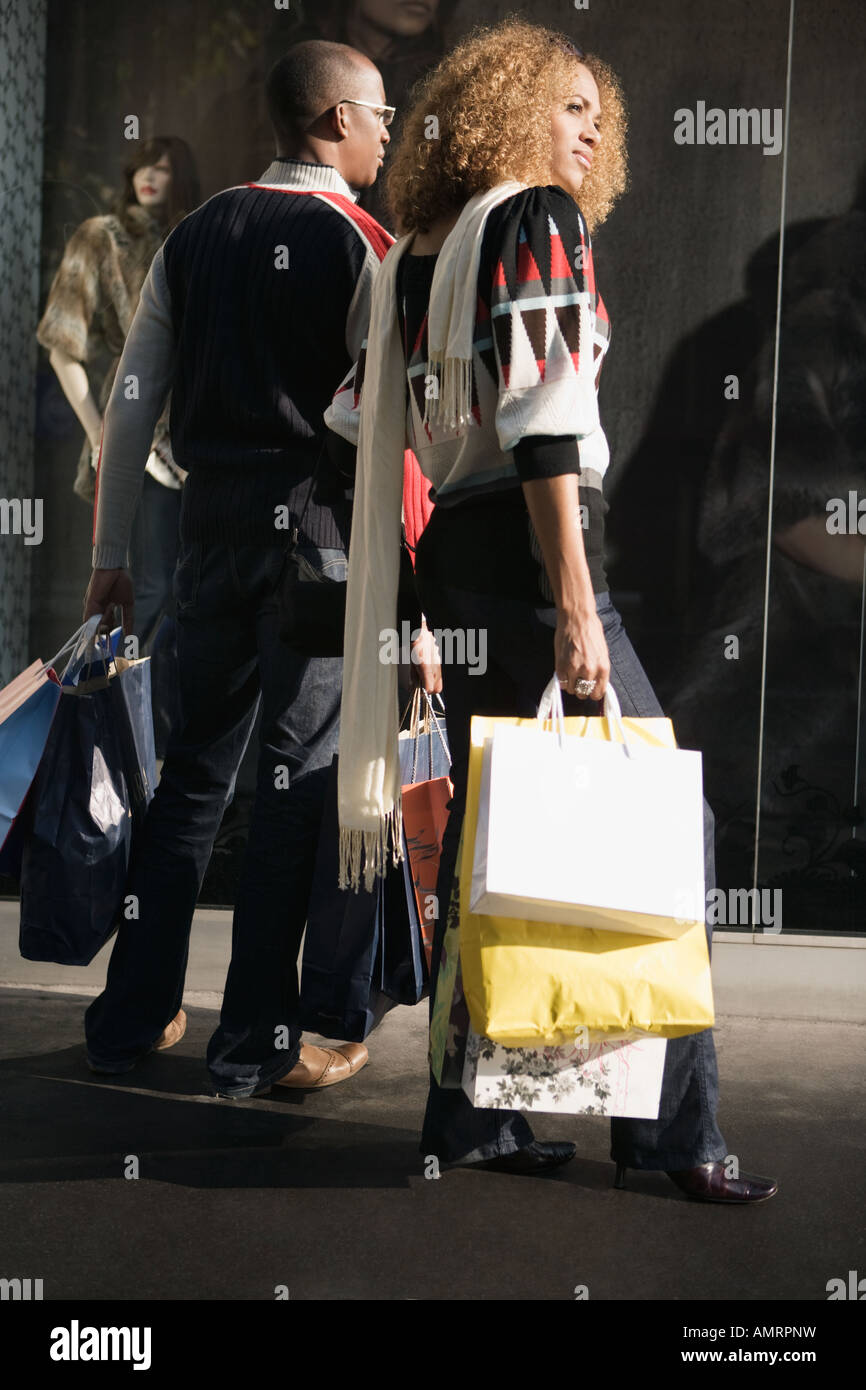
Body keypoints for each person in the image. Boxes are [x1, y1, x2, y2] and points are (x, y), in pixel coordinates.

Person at [328, 20, 778, 1202]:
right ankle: (676, 1134)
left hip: (456, 560)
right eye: (568, 107)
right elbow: (542, 415)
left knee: (492, 837)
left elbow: (358, 425)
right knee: (669, 828)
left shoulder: (409, 253)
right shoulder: (534, 218)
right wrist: (576, 603)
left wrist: (416, 602)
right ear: (509, 113)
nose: (587, 131)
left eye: (597, 112)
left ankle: (468, 1119)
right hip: (536, 548)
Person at [80, 40, 393, 1097]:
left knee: (192, 778)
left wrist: (110, 557)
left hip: (206, 530)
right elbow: (391, 426)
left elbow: (130, 409)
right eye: (380, 115)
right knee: (291, 788)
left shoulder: (193, 236)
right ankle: (248, 1037)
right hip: (316, 537)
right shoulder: (364, 245)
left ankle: (131, 1015)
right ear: (334, 121)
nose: (390, 134)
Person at [37, 137, 199, 664]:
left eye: (166, 168)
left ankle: (159, 728)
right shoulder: (100, 237)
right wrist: (96, 432)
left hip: (196, 430)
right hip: (137, 426)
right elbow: (63, 345)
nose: (150, 175)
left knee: (185, 589)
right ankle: (103, 705)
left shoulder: (194, 239)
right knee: (146, 587)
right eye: (144, 164)